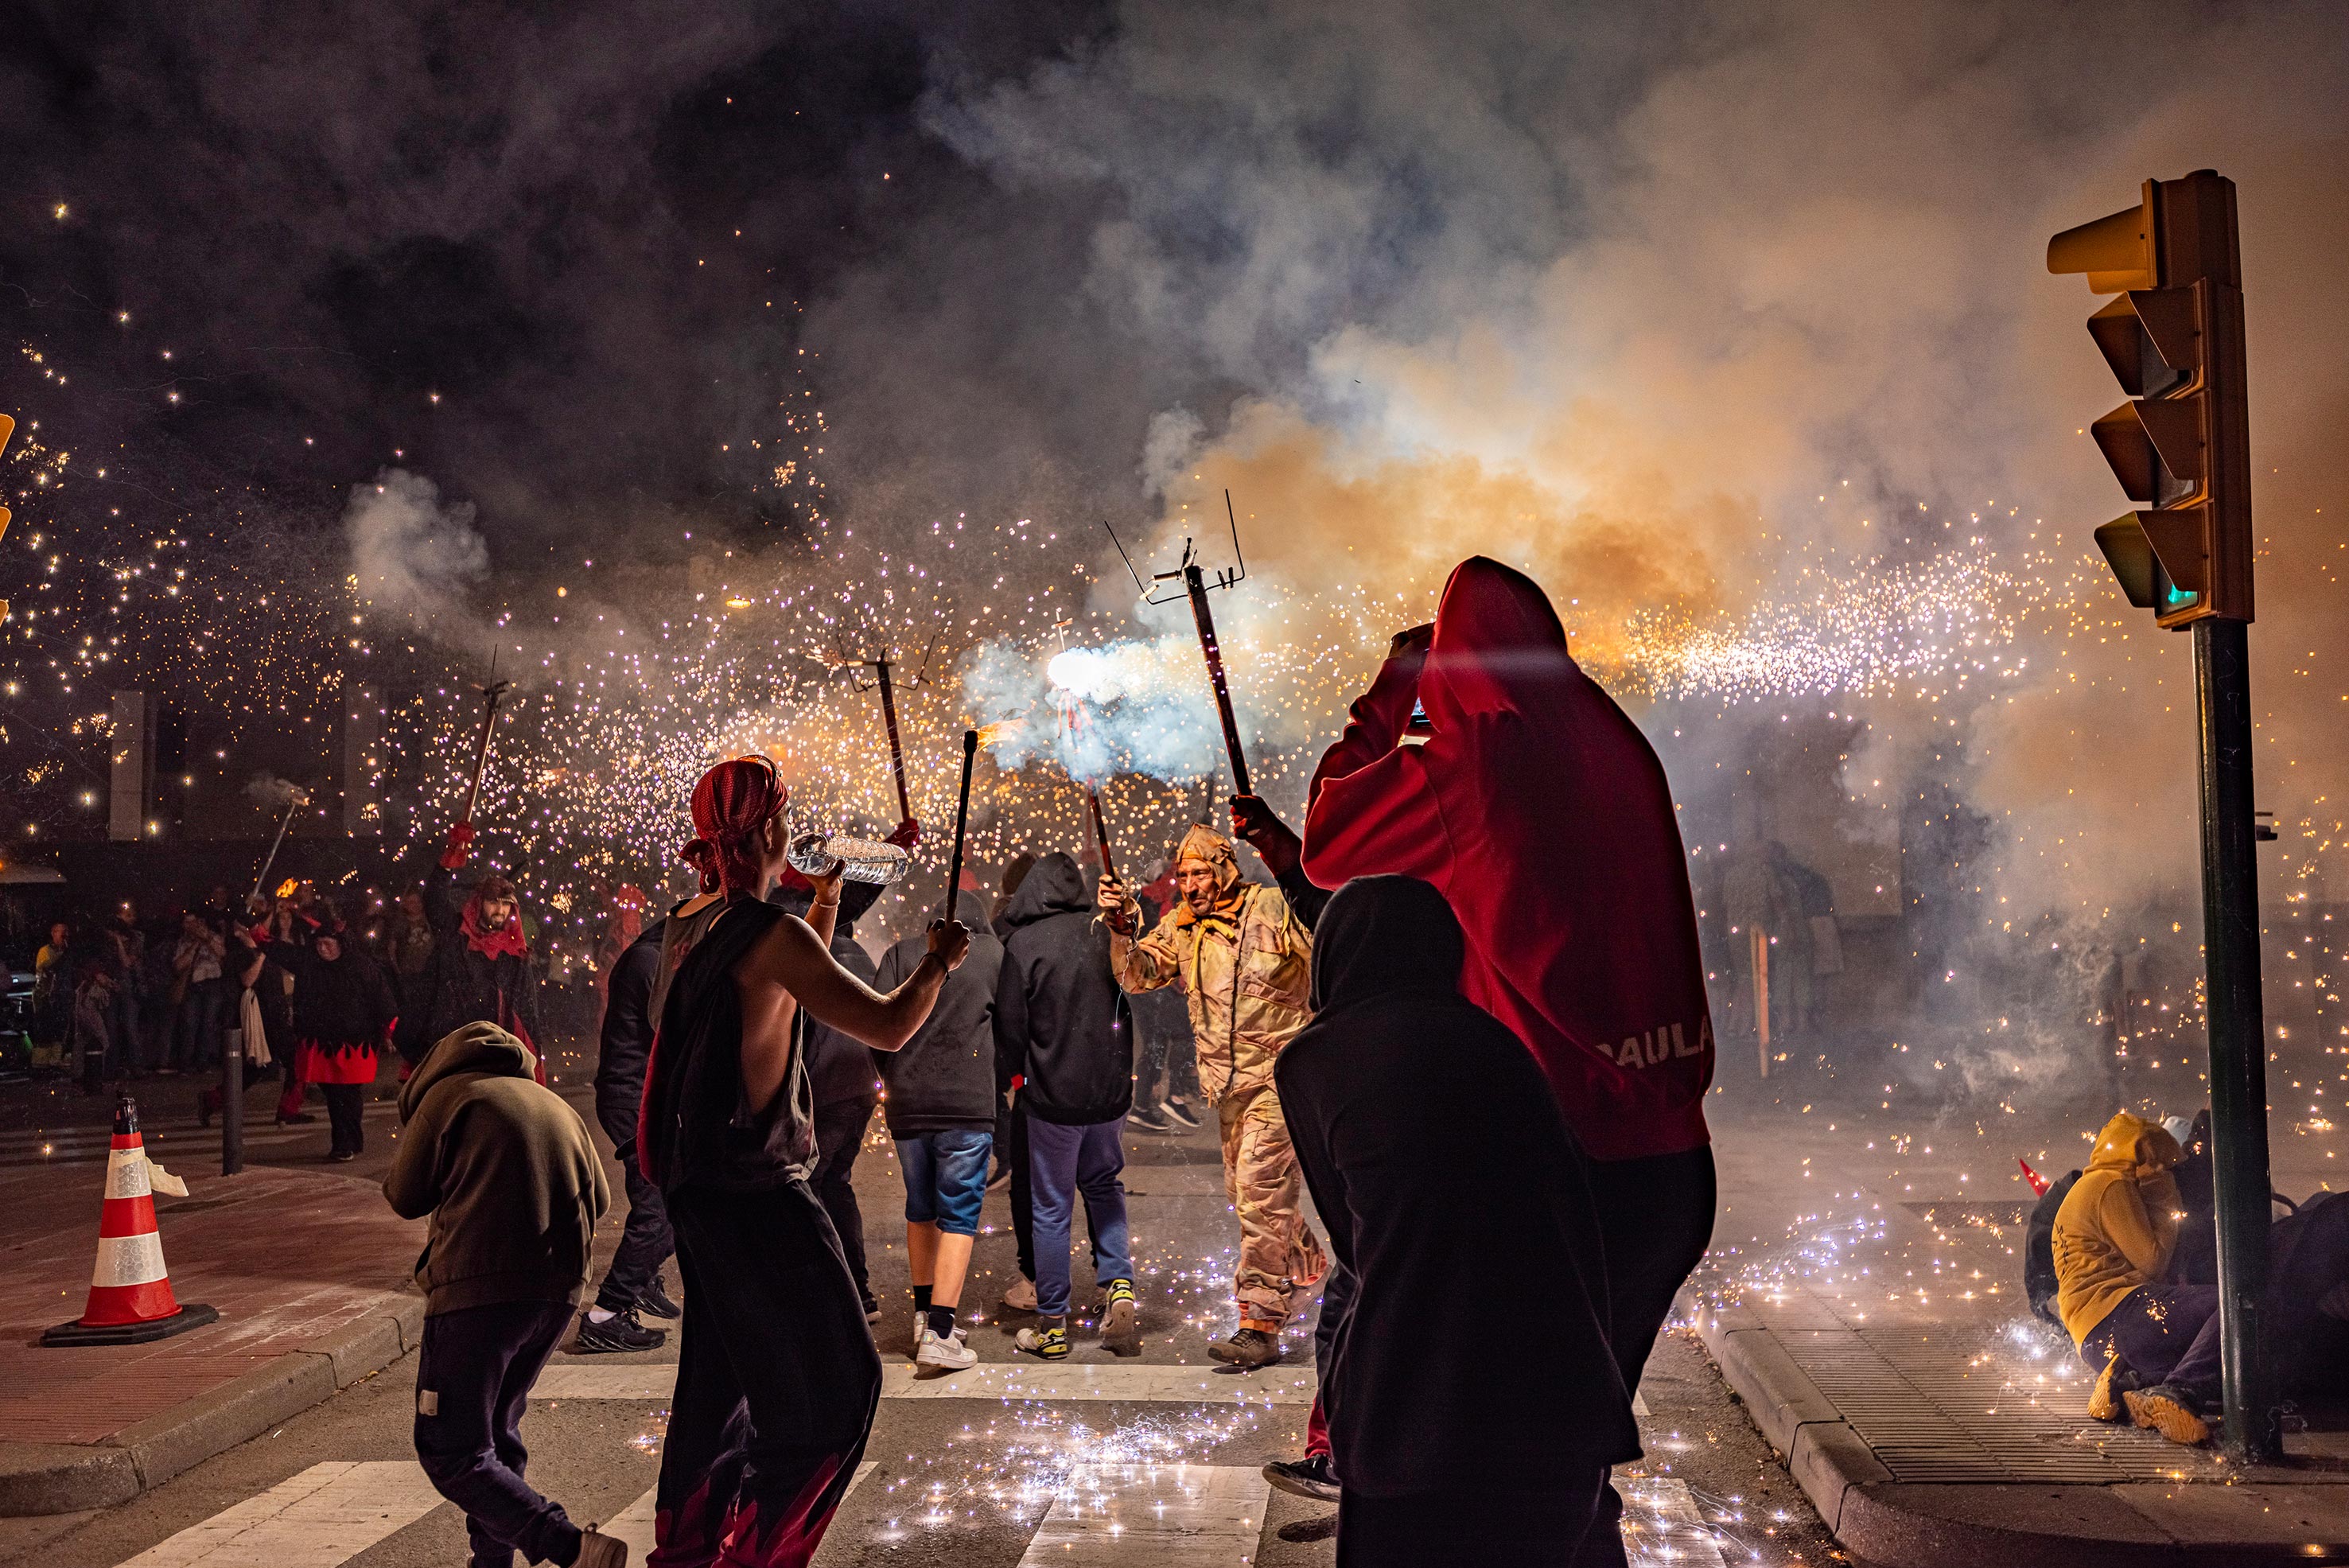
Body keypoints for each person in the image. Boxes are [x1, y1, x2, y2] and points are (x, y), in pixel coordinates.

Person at [1301, 558, 1715, 1562]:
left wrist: (1392, 691)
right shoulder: (1617, 743)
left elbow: (1326, 843)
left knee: (1520, 1467)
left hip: (1561, 1167)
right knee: (1568, 1446)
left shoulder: (1472, 764)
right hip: (1673, 1164)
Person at [637, 756, 966, 1567]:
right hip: (762, 1193)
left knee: (716, 1387)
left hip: (699, 1190)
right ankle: (756, 1555)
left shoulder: (686, 926)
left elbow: (776, 988)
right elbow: (885, 1026)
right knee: (840, 1393)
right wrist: (937, 964)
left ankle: (685, 1552)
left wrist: (821, 902)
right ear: (771, 830)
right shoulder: (769, 937)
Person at [1278, 875, 1638, 1564]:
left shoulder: (1314, 1057)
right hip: (1559, 1383)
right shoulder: (1495, 1041)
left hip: (1414, 1388)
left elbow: (1354, 1238)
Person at [383, 1021, 623, 1568]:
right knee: (495, 1431)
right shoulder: (551, 1100)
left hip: (476, 1288)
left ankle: (566, 1543)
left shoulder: (446, 1096)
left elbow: (403, 1194)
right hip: (557, 1291)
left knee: (449, 1447)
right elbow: (603, 1200)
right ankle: (490, 1563)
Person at [1101, 822, 1324, 1368]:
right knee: (1252, 1196)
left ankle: (1259, 1322)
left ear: (1226, 866)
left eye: (1200, 873)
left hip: (1281, 1078)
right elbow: (1136, 975)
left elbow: (1325, 950)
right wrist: (1121, 925)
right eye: (1183, 876)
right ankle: (1308, 1266)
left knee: (1256, 1191)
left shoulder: (1272, 907)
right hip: (1227, 1088)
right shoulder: (1183, 924)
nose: (1191, 885)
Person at [996, 851, 1140, 1360]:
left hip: (1050, 1097)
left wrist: (1016, 1078)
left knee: (1051, 1207)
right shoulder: (1108, 934)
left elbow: (1010, 1027)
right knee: (1104, 1186)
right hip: (1109, 1094)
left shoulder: (1024, 944)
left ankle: (1053, 1327)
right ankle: (1118, 1283)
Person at [873, 888, 1003, 1372]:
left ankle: (924, 1316)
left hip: (907, 1104)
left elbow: (876, 1025)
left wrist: (894, 1078)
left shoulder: (900, 954)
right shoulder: (993, 956)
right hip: (967, 1106)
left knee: (920, 1207)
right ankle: (942, 1335)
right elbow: (1011, 1029)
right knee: (960, 1215)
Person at [2053, 1110, 2216, 1445]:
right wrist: (2163, 1193)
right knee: (2233, 1304)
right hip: (2122, 1312)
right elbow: (2153, 1262)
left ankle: (2128, 1384)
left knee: (2208, 1356)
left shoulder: (2089, 1185)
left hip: (2098, 1341)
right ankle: (2175, 1391)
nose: (2166, 1170)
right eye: (2161, 1163)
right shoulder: (2111, 1186)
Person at [579, 915, 675, 1355]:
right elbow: (674, 1036)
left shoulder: (650, 955)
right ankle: (606, 1314)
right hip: (633, 1098)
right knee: (661, 1208)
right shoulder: (652, 963)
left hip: (633, 1095)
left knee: (666, 1203)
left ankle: (642, 1280)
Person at [399, 822, 543, 1079]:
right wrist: (448, 863)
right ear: (480, 904)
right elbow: (434, 901)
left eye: (506, 904)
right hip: (454, 1049)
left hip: (498, 1053)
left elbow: (526, 1012)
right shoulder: (457, 935)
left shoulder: (515, 955)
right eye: (493, 902)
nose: (500, 910)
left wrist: (532, 1061)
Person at [268, 909, 398, 1161]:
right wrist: (257, 933)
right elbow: (282, 952)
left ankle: (345, 1143)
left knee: (347, 1094)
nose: (322, 949)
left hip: (354, 1044)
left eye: (328, 944)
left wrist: (389, 1032)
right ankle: (348, 1142)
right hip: (323, 1043)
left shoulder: (361, 967)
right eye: (318, 944)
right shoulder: (311, 964)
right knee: (334, 1095)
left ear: (341, 944)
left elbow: (383, 1000)